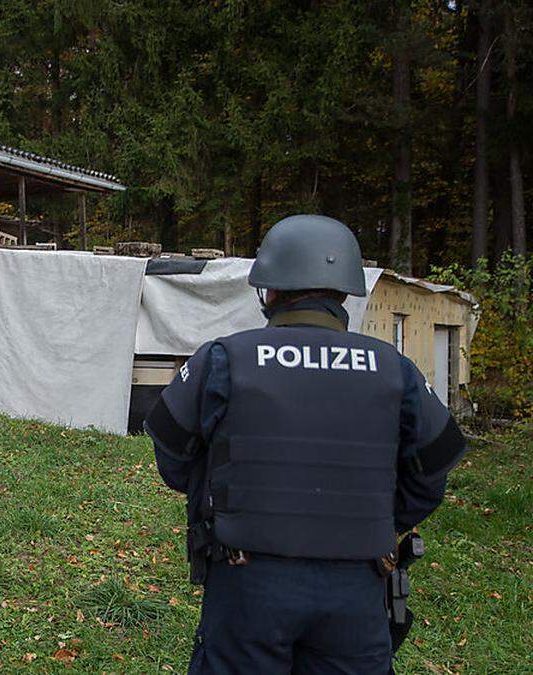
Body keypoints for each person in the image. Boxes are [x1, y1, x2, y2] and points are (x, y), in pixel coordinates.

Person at [144, 215, 467, 674]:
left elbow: (173, 460)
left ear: (269, 291)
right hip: (358, 587)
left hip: (247, 581)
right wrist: (366, 519)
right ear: (344, 292)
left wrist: (234, 506)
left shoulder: (225, 359)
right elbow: (432, 474)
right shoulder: (395, 369)